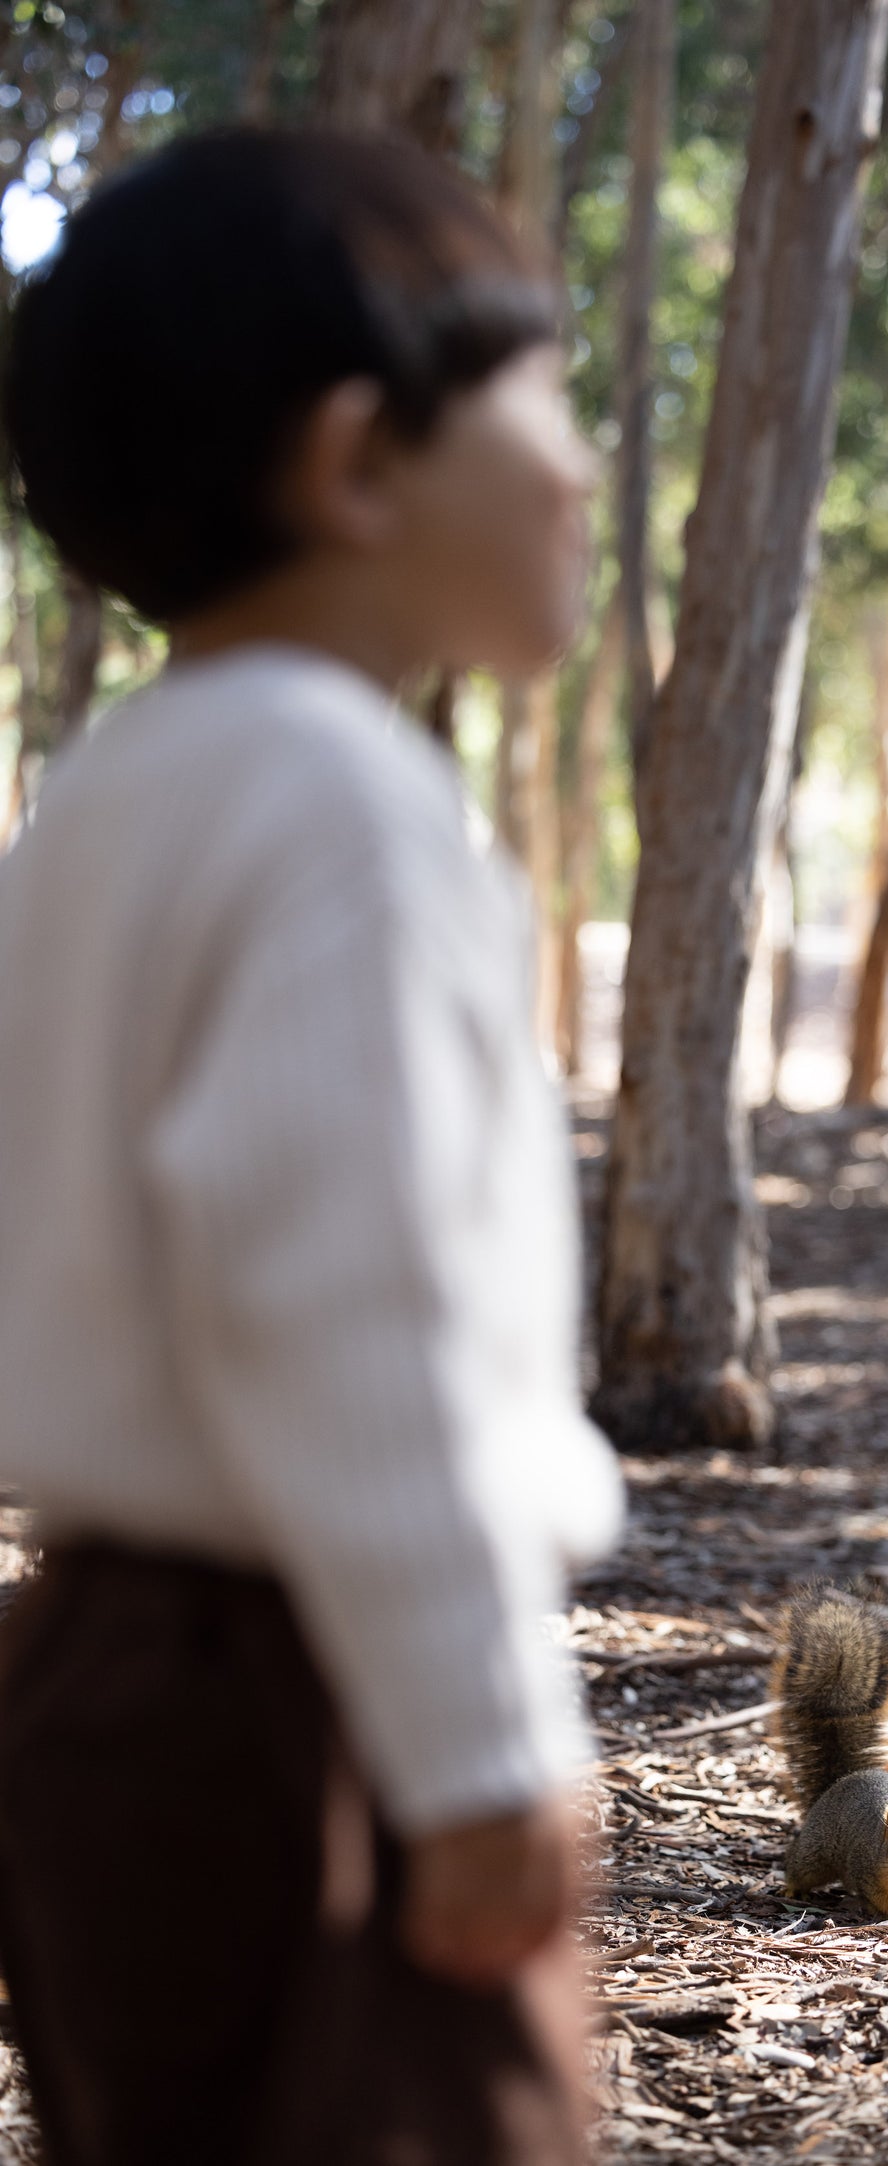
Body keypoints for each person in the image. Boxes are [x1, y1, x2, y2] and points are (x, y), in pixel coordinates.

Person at [0, 127, 623, 2166]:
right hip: (305, 1693)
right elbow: (350, 1310)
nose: (590, 467)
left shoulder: (115, 793)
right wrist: (471, 1744)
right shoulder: (346, 805)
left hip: (96, 1670)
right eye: (547, 398)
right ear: (357, 466)